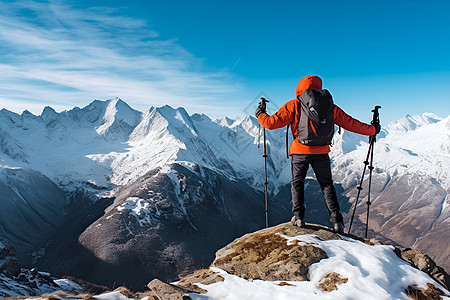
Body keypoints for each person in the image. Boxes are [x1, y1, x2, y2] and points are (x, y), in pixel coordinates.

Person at [255, 75, 380, 233]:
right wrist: (373, 129)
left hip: (300, 151)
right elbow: (350, 123)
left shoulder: (295, 104)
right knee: (327, 185)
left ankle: (299, 218)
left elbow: (271, 123)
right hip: (322, 151)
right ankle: (337, 221)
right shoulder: (330, 106)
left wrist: (260, 113)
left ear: (301, 88)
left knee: (297, 184)